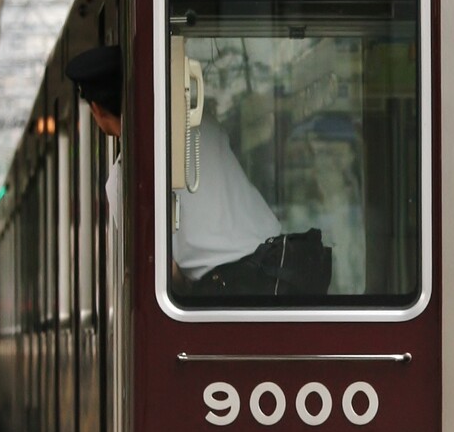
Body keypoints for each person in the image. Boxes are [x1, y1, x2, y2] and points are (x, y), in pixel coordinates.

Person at [66, 45, 330, 298]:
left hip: (228, 291)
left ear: (96, 109)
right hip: (284, 268)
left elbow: (159, 268)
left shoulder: (123, 176)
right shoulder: (200, 123)